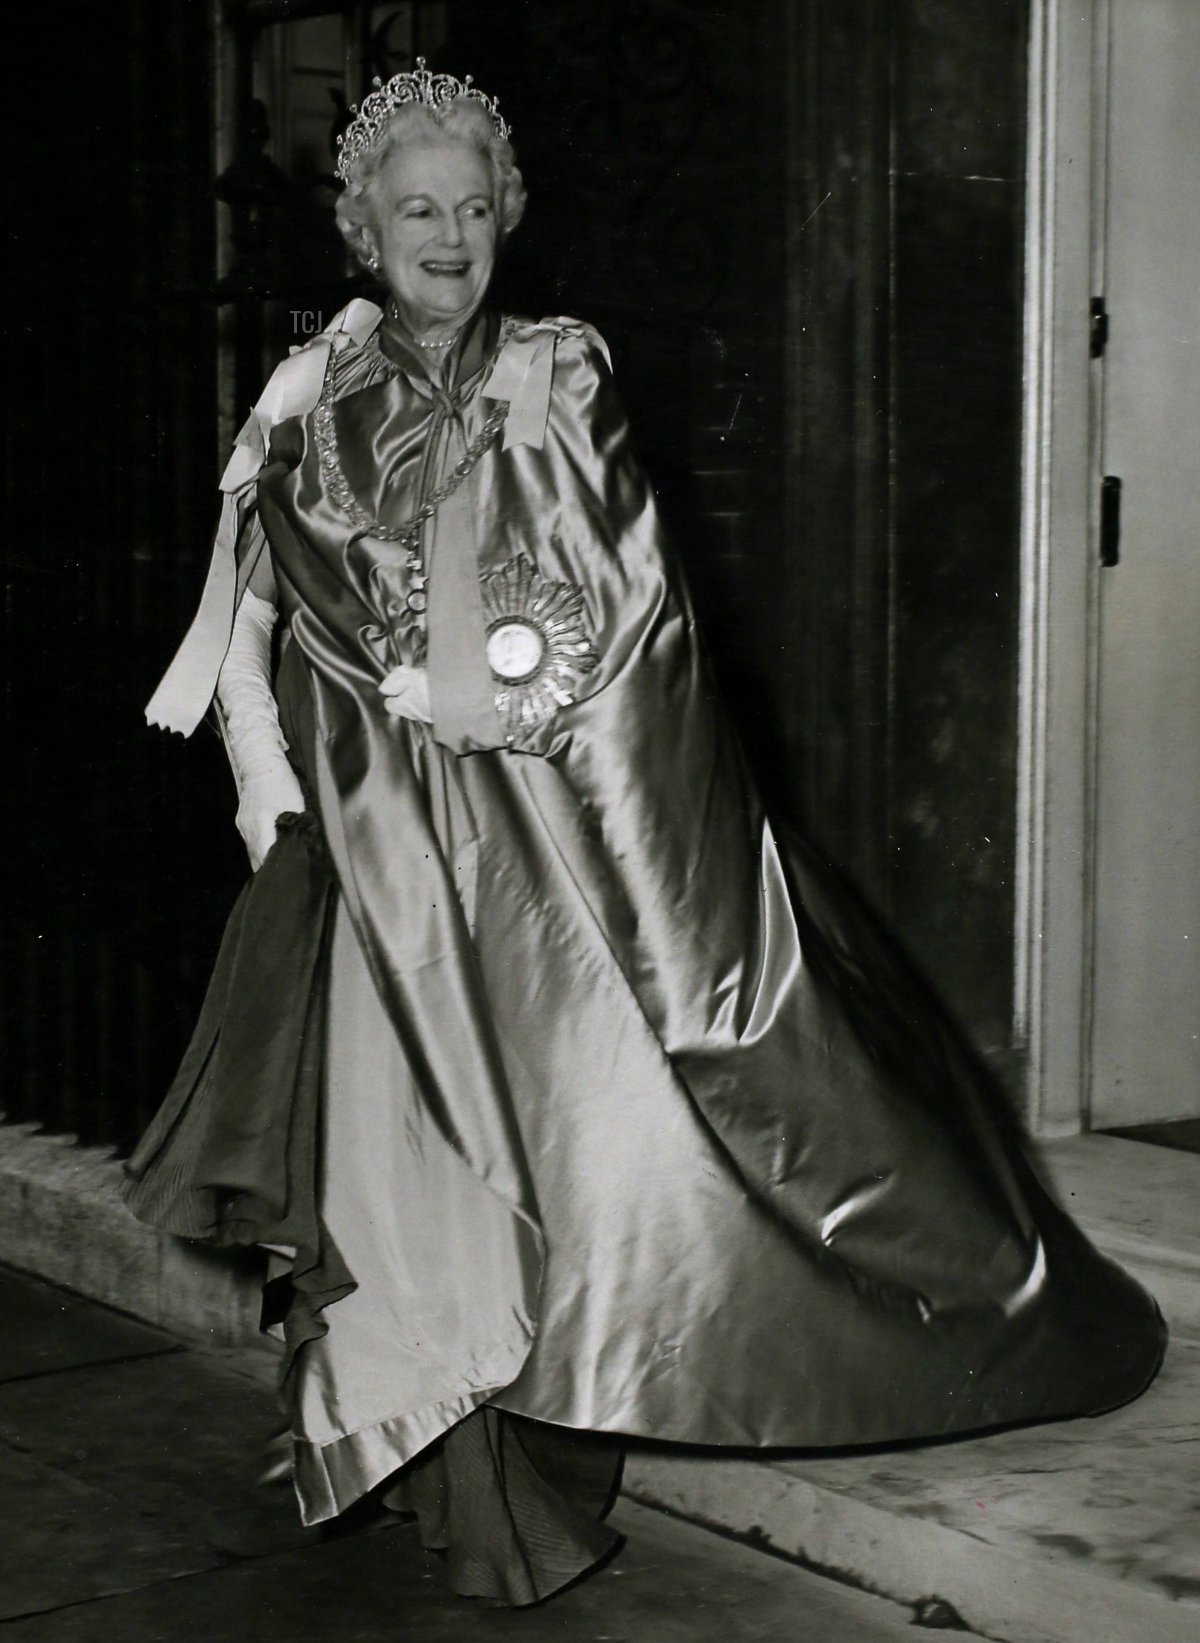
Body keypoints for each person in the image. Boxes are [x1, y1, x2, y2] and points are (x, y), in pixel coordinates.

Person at [124, 59, 1165, 1609]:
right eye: (418, 209)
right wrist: (270, 797)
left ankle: (522, 1481)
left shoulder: (558, 376)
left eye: (477, 208)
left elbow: (627, 615)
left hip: (539, 857)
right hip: (366, 867)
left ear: (508, 221)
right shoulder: (303, 399)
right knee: (401, 1182)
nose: (451, 236)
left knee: (549, 1156)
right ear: (361, 228)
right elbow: (252, 626)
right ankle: (449, 1487)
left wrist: (497, 693)